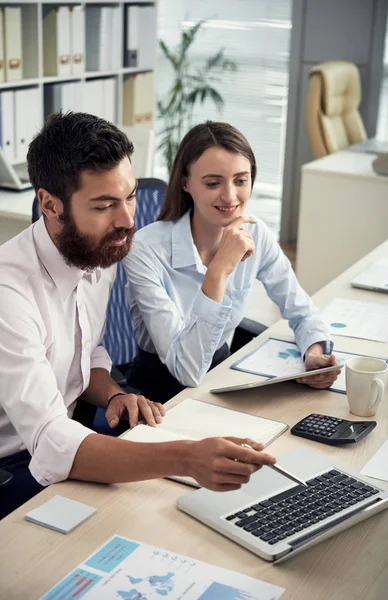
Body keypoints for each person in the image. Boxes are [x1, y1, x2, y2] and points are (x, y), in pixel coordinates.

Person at [0, 112, 276, 519]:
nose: (128, 220)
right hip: (16, 466)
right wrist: (185, 458)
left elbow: (85, 353)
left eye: (129, 196)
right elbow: (49, 439)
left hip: (75, 435)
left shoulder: (97, 250)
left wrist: (114, 393)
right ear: (50, 205)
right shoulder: (9, 292)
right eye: (105, 205)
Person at [123, 121, 340, 403]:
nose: (230, 196)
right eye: (213, 183)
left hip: (224, 380)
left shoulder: (255, 233)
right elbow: (186, 370)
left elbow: (302, 311)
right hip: (162, 396)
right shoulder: (145, 249)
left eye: (241, 180)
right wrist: (219, 269)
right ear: (185, 183)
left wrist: (314, 353)